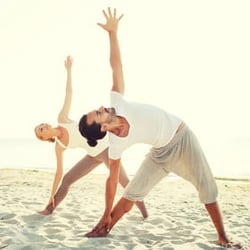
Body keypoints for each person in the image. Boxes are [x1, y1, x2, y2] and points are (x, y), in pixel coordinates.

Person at [78, 7, 242, 249]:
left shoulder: (118, 102)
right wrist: (105, 214)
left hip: (181, 137)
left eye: (98, 108)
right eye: (98, 113)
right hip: (159, 154)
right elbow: (112, 181)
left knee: (206, 185)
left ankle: (222, 237)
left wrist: (112, 34)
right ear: (102, 129)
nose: (102, 107)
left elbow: (117, 67)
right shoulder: (115, 145)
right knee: (132, 193)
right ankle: (104, 228)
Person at [34, 55, 148, 219]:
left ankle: (145, 214)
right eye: (40, 131)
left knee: (124, 182)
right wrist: (51, 194)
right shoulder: (59, 146)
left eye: (41, 126)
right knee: (67, 180)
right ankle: (49, 209)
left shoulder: (62, 119)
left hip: (105, 150)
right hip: (92, 155)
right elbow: (58, 173)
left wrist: (69, 71)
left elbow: (69, 93)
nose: (42, 128)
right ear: (44, 138)